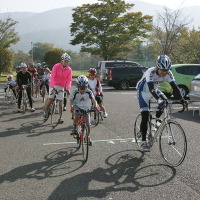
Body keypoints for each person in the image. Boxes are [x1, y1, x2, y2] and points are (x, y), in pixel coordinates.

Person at [136, 55, 187, 152]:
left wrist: (182, 99)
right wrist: (158, 100)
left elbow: (174, 87)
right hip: (143, 91)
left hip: (155, 90)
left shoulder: (168, 73)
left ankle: (155, 121)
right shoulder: (150, 71)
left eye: (167, 70)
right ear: (157, 67)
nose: (165, 73)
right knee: (145, 114)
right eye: (163, 70)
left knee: (165, 102)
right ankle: (143, 141)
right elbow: (150, 88)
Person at [43, 53, 72, 122]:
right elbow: (52, 77)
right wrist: (52, 87)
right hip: (54, 84)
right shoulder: (56, 66)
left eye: (67, 61)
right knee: (50, 99)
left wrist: (68, 89)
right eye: (65, 61)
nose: (66, 62)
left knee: (60, 101)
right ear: (62, 60)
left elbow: (69, 80)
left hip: (61, 86)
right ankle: (46, 111)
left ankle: (60, 117)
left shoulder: (69, 69)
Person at [70, 75, 98, 146]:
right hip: (77, 106)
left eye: (84, 88)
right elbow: (71, 100)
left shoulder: (89, 91)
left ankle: (87, 137)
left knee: (88, 125)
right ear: (77, 87)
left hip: (86, 107)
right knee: (76, 116)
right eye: (80, 88)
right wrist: (71, 106)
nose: (82, 90)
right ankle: (74, 127)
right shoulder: (74, 92)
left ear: (86, 86)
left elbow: (93, 100)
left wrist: (96, 107)